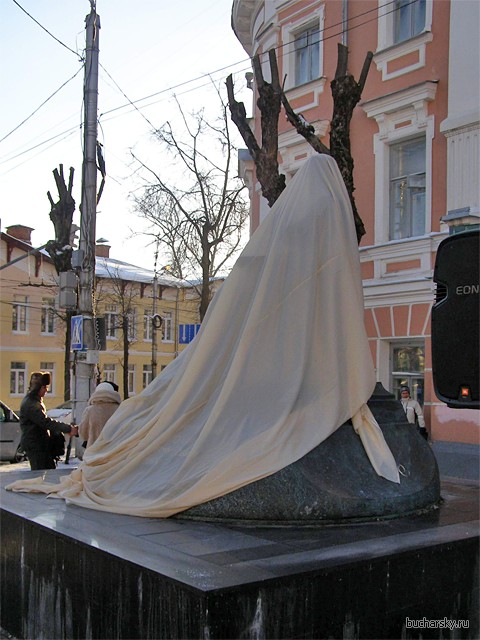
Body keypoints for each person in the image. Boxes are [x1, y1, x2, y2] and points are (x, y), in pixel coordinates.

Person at [20, 371, 78, 470]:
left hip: (39, 444)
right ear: (38, 388)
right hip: (36, 445)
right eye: (45, 387)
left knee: (46, 471)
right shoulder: (31, 404)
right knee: (41, 473)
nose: (46, 390)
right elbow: (46, 422)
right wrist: (68, 429)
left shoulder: (33, 401)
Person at [78, 382, 121, 448]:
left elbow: (83, 434)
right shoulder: (120, 409)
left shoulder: (90, 410)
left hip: (95, 449)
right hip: (115, 449)